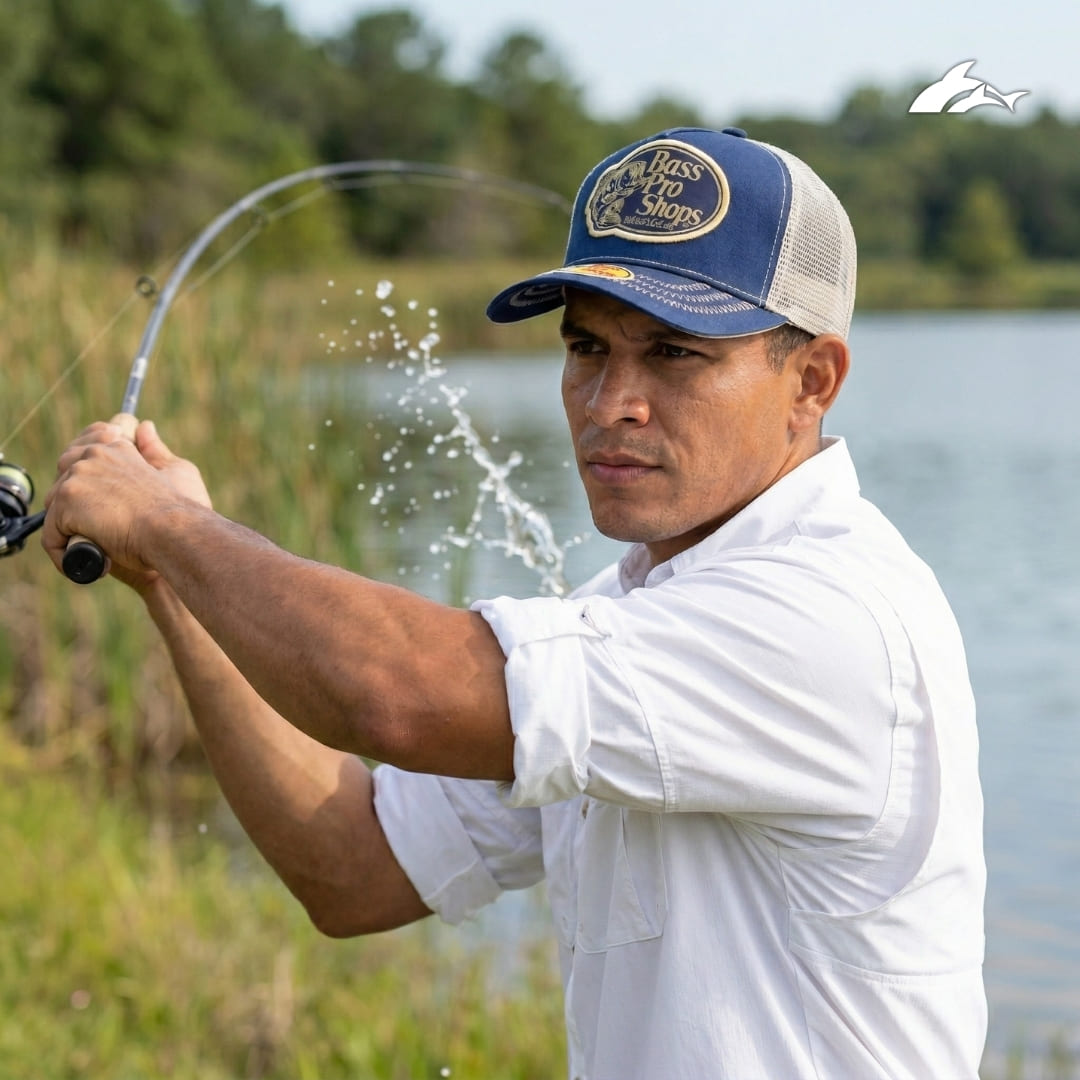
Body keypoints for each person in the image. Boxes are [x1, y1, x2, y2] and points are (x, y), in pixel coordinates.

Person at [43, 127, 987, 1079]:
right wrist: (170, 582)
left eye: (674, 353)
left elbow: (393, 694)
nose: (611, 400)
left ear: (811, 381)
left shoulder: (825, 616)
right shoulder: (640, 610)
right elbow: (354, 866)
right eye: (586, 346)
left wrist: (169, 525)